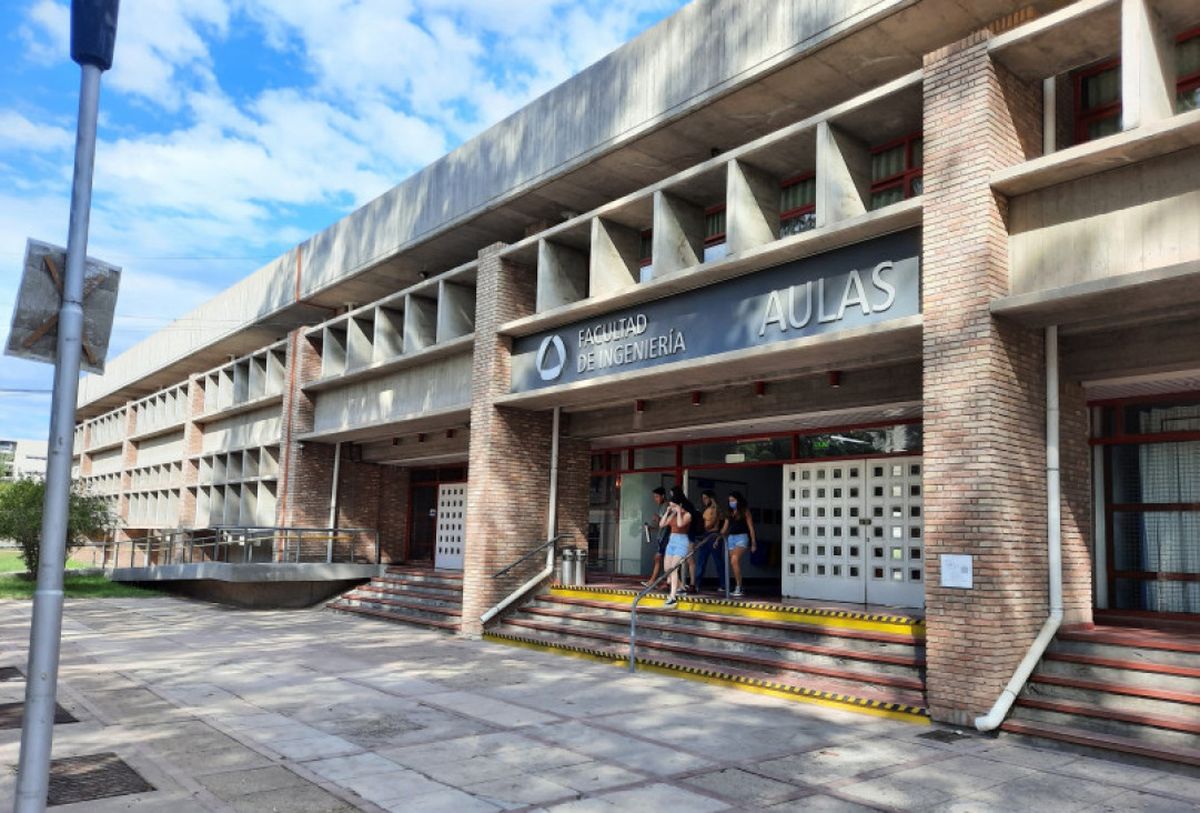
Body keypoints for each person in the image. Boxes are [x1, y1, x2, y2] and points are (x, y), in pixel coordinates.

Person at [658, 486, 693, 607]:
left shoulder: (687, 515)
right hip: (671, 541)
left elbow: (680, 524)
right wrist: (668, 512)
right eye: (671, 505)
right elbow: (661, 524)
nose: (671, 507)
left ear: (679, 504)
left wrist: (678, 512)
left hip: (682, 541)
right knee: (667, 568)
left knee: (673, 568)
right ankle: (681, 587)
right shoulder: (672, 514)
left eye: (673, 505)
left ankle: (672, 597)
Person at [720, 490, 756, 597]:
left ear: (738, 500)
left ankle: (739, 587)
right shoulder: (729, 512)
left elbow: (751, 528)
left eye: (733, 500)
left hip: (742, 537)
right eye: (730, 500)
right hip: (730, 538)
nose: (731, 502)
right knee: (733, 562)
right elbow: (724, 528)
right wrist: (717, 538)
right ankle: (738, 584)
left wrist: (753, 542)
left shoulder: (745, 511)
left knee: (734, 560)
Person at [692, 489, 725, 593]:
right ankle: (696, 584)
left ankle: (723, 585)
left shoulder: (715, 509)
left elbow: (711, 524)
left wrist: (702, 525)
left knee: (718, 562)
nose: (704, 500)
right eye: (703, 498)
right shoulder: (708, 510)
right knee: (701, 561)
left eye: (706, 498)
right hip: (706, 535)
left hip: (713, 535)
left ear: (711, 498)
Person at [642, 486, 669, 587]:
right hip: (661, 537)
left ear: (663, 496)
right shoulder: (661, 507)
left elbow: (664, 523)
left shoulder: (666, 506)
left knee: (659, 558)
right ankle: (662, 581)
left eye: (657, 496)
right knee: (661, 559)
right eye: (654, 497)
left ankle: (654, 581)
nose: (655, 499)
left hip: (665, 537)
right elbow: (659, 526)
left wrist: (657, 519)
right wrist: (651, 528)